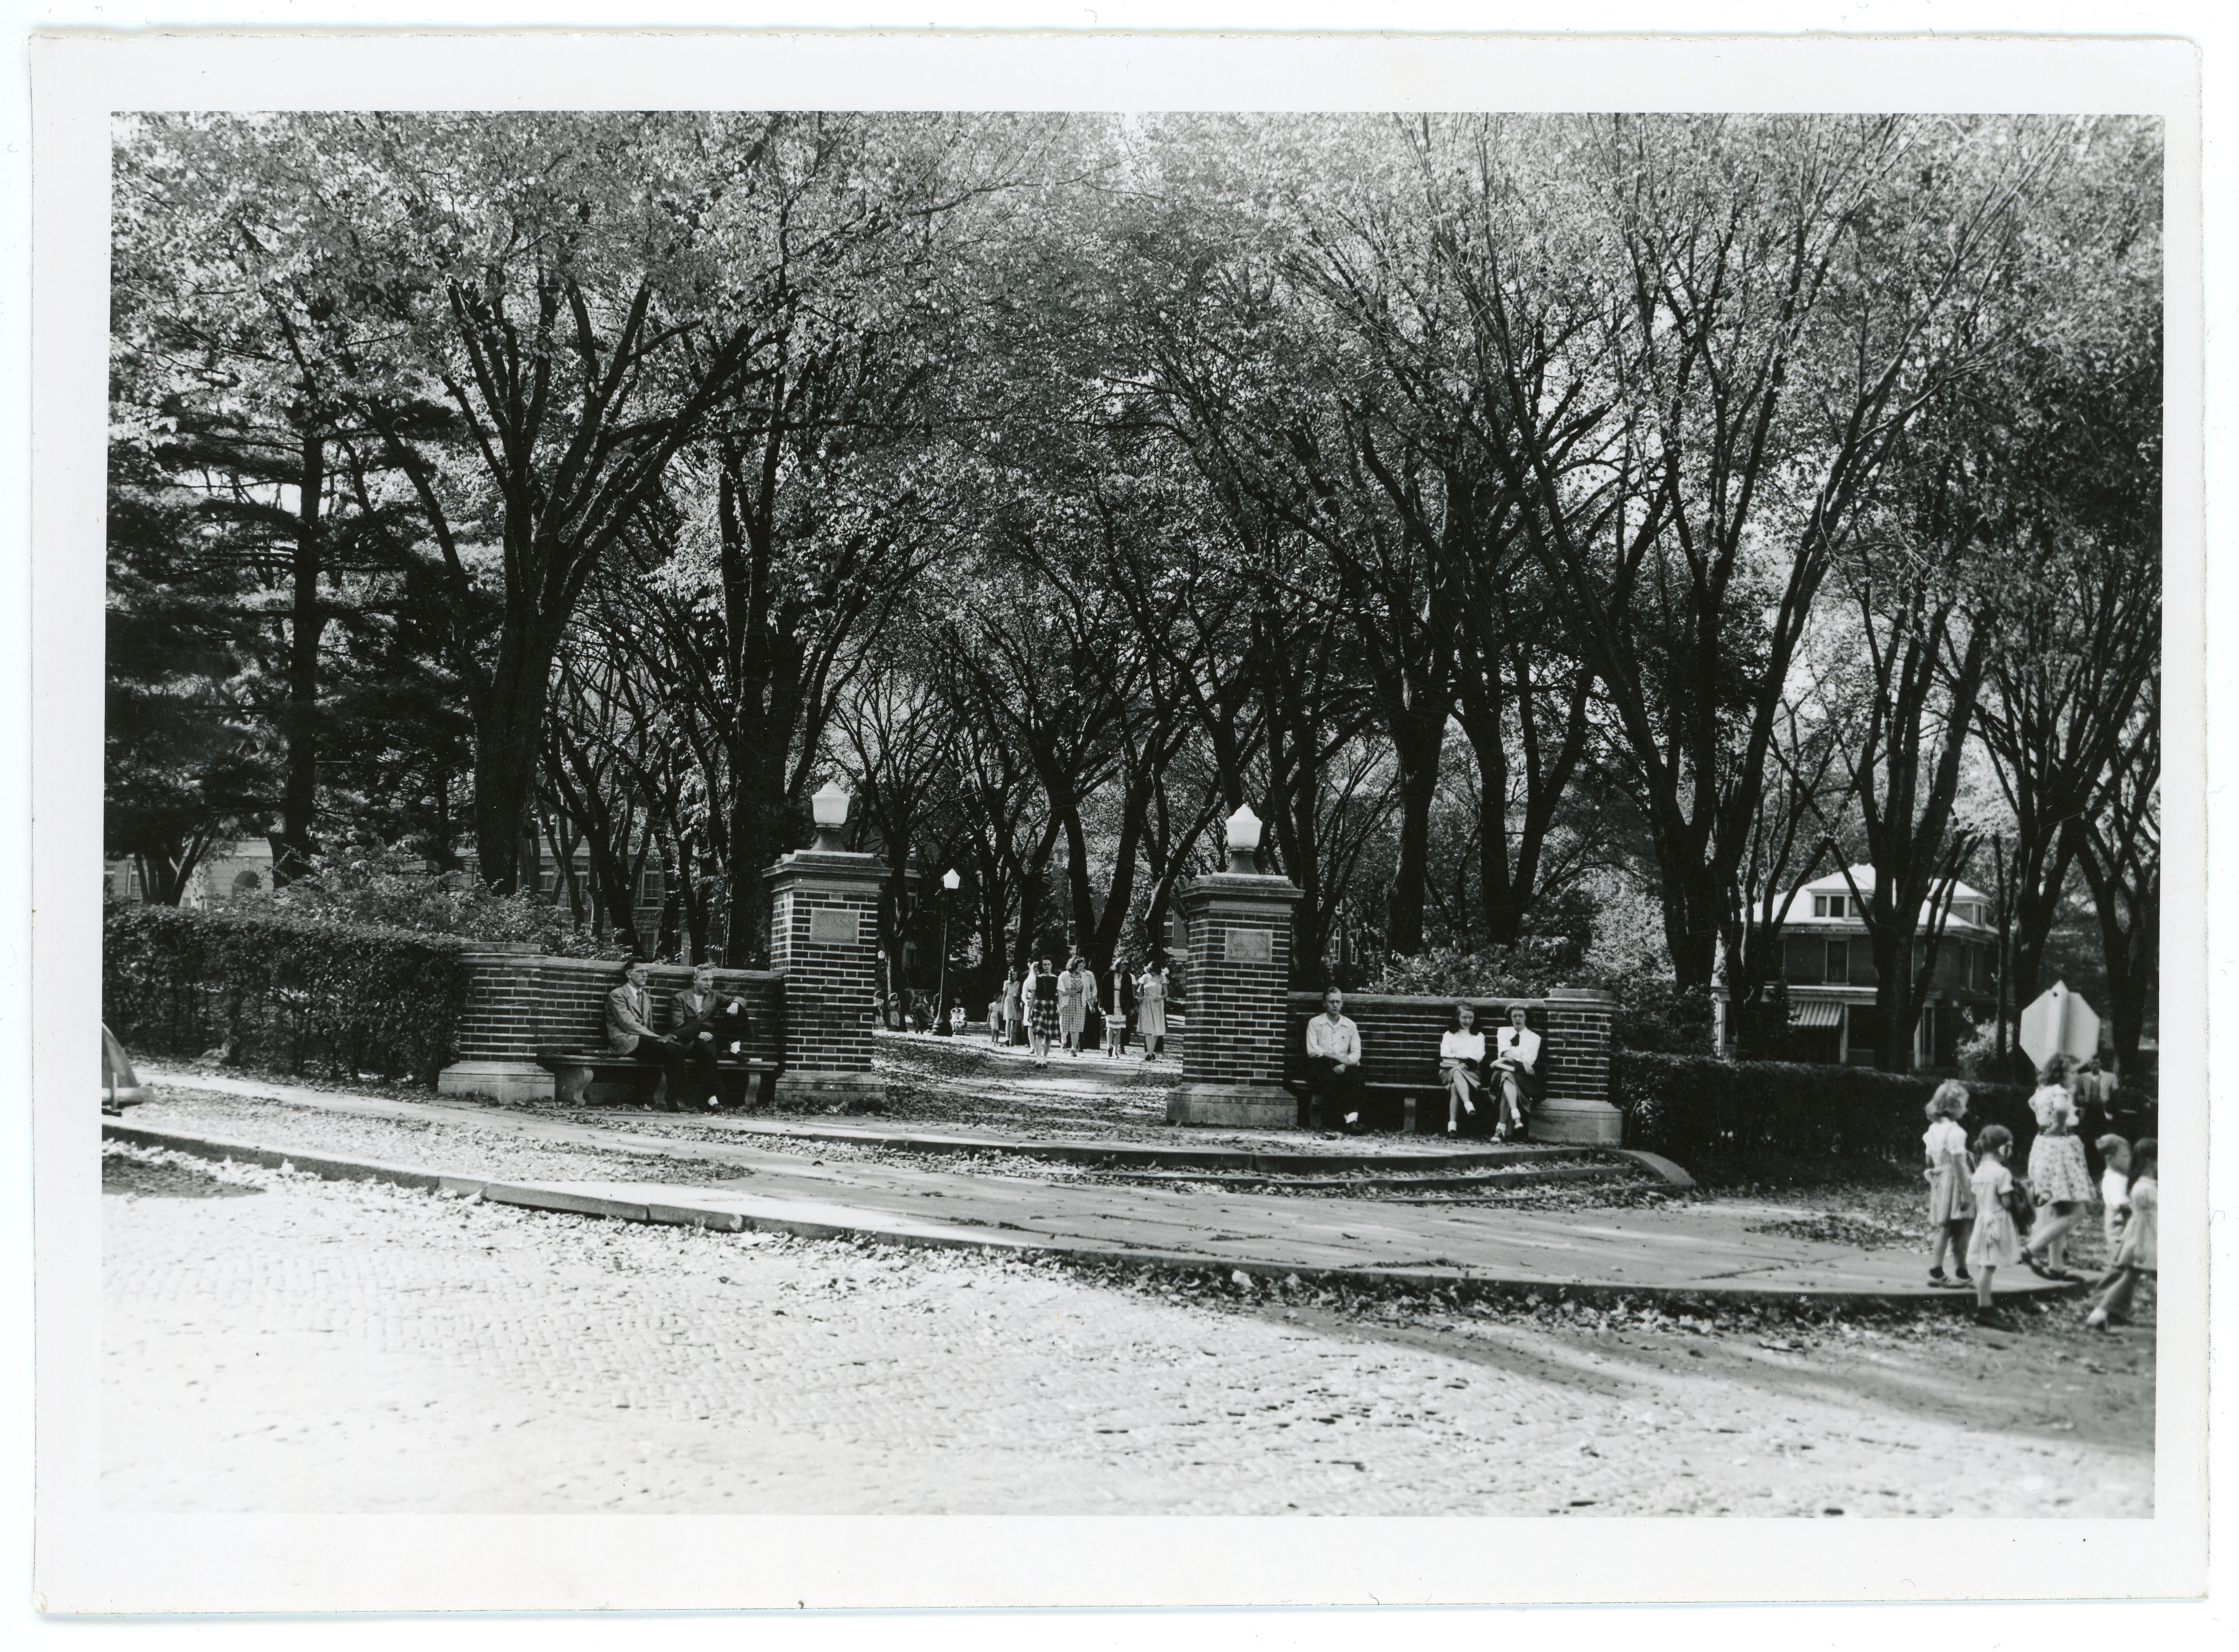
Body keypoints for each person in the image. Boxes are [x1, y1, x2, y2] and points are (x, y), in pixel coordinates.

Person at [2022, 1055, 2094, 1282]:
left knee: (2060, 1210)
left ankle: (2056, 1266)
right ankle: (2031, 1250)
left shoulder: (2043, 1091)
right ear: (2061, 1074)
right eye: (2072, 1072)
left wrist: (2045, 1125)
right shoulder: (2059, 1092)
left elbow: (2032, 1104)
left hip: (2044, 1147)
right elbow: (2063, 1110)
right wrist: (2059, 1124)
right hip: (2062, 1149)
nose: (2076, 1076)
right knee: (2077, 1211)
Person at [2084, 1138, 2156, 1333]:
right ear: (2151, 1162)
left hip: (2144, 1239)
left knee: (2129, 1277)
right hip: (2140, 1241)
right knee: (2127, 1276)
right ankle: (2100, 1310)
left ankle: (2109, 1311)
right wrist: (2141, 1247)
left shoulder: (2146, 1185)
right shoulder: (2143, 1189)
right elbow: (2141, 1220)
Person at [605, 960, 689, 1113]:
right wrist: (657, 1038)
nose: (645, 975)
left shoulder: (645, 996)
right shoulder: (617, 995)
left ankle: (674, 1098)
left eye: (647, 972)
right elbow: (628, 1024)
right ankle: (673, 1099)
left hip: (643, 1041)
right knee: (669, 1048)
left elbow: (648, 1025)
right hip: (624, 1041)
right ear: (629, 974)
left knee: (675, 1050)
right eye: (640, 971)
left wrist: (657, 1040)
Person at [670, 962, 750, 1112]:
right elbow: (678, 1025)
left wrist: (735, 1003)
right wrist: (697, 1033)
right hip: (693, 1040)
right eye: (704, 980)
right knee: (708, 1050)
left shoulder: (714, 995)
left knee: (739, 1009)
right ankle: (712, 1099)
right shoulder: (680, 998)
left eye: (711, 980)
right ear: (695, 980)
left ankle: (735, 1048)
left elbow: (741, 999)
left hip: (712, 1036)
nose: (709, 984)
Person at [1966, 1124, 2024, 1328]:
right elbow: (2007, 1203)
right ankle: (1984, 1308)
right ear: (2003, 1149)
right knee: (1988, 1266)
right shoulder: (2002, 1173)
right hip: (1997, 1222)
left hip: (1983, 1219)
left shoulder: (1979, 1170)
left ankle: (1986, 1305)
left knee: (1986, 1264)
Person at [1922, 1080, 1975, 1289]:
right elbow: (1959, 1165)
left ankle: (1950, 1270)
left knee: (1947, 1227)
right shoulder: (1956, 1132)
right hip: (1956, 1182)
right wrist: (1966, 1193)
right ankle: (1952, 1270)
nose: (1966, 1109)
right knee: (1961, 1227)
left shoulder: (1933, 1129)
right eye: (1964, 1104)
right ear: (1954, 1106)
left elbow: (1929, 1159)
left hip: (1940, 1180)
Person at [1305, 987, 1368, 1133]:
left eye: (1338, 1002)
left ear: (1342, 1004)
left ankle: (1351, 1121)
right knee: (1332, 1081)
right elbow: (1313, 1050)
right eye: (1331, 1002)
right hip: (1322, 1065)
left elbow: (1356, 1053)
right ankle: (1343, 1122)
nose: (1335, 1005)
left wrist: (1345, 1064)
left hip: (1345, 1066)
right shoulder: (1315, 1023)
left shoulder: (1350, 1025)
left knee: (1358, 1080)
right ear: (1324, 1003)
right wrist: (1335, 1057)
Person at [1490, 1005, 1540, 1143]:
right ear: (1510, 1018)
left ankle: (1500, 1129)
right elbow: (1505, 1052)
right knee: (1506, 1076)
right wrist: (1521, 1059)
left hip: (1521, 1076)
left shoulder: (1535, 1038)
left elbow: (1530, 1062)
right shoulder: (1503, 1032)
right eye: (1514, 1016)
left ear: (1526, 1018)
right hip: (1500, 1073)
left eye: (1521, 1016)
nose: (1517, 1019)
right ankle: (1515, 1113)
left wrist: (1514, 1059)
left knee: (1508, 1080)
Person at [1439, 1002, 1487, 1135]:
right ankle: (1468, 1104)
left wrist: (1459, 1058)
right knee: (1457, 1071)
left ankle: (1452, 1125)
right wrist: (1464, 1059)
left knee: (1455, 1086)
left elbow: (1479, 1056)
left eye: (1471, 1018)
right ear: (1457, 1018)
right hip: (1448, 1071)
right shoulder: (1449, 1035)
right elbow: (1445, 1054)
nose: (1468, 1021)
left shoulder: (1479, 1036)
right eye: (1464, 1018)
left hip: (1471, 1072)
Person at [2096, 1134, 2134, 1249]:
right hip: (2119, 1224)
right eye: (2125, 1156)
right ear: (2110, 1159)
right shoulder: (2114, 1180)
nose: (2130, 1159)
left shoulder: (2116, 1177)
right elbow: (2121, 1203)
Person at [1058, 955, 1096, 1057]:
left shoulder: (1084, 976)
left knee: (1076, 1027)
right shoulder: (1064, 975)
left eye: (1082, 966)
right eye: (1079, 966)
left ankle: (1074, 1048)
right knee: (1065, 1026)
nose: (1081, 968)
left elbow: (1087, 992)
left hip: (1080, 1003)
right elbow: (1059, 991)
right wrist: (1070, 992)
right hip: (1067, 1003)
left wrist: (1091, 1005)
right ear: (1074, 965)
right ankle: (1064, 1042)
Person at [1135, 959, 1169, 1060]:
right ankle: (1149, 1053)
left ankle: (1151, 1051)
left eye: (1153, 971)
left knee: (1156, 1028)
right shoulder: (1145, 977)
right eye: (1150, 971)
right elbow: (1140, 990)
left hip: (1157, 1004)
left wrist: (1160, 998)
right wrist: (1140, 997)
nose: (1152, 973)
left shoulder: (1162, 978)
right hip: (1147, 1004)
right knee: (1148, 1028)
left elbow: (1166, 993)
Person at [1029, 954, 1059, 1066]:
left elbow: (1059, 996)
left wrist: (1060, 1008)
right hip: (1039, 1006)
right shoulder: (1037, 979)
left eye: (1049, 964)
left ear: (1052, 965)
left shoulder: (1057, 979)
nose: (1047, 967)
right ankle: (1038, 1058)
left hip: (1051, 1006)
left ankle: (1045, 1058)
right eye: (1045, 964)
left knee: (1049, 1035)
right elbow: (1033, 996)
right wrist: (1029, 1011)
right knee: (1039, 1033)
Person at [1105, 957, 1131, 1057]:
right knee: (1110, 1027)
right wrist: (1102, 1006)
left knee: (1119, 1029)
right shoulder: (1109, 975)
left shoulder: (1127, 977)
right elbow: (1104, 991)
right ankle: (1109, 1047)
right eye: (1123, 966)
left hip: (1122, 1005)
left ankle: (1115, 1050)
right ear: (1118, 965)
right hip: (1111, 1004)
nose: (1124, 968)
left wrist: (1131, 1006)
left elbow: (1130, 993)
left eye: (1125, 966)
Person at [1000, 968, 1024, 1047]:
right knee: (1008, 1020)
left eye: (1016, 975)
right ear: (1011, 975)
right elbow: (1004, 994)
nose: (1015, 976)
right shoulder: (1006, 983)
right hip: (1008, 1001)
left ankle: (1012, 1040)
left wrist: (1018, 995)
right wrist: (1002, 1005)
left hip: (1015, 1002)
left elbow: (1020, 993)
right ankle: (1007, 1038)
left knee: (1015, 1021)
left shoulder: (1019, 983)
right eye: (1013, 975)